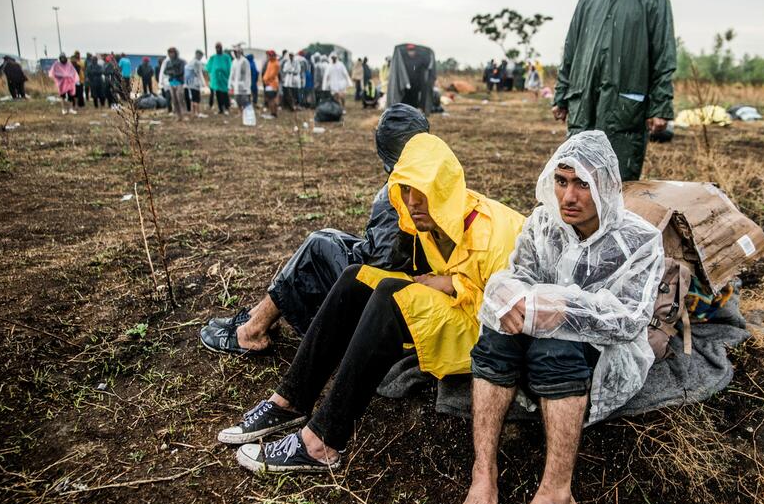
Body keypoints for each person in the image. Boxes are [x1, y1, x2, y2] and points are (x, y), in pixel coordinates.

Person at [218, 133, 525, 475]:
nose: (412, 201)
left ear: (444, 188)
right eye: (405, 190)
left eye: (421, 190)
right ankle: (289, 401)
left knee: (392, 298)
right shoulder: (432, 220)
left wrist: (451, 283)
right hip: (459, 307)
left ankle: (321, 442)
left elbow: (513, 314)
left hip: (487, 330)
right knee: (355, 278)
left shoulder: (496, 234)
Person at [456, 130, 664, 504]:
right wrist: (507, 296)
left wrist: (566, 307)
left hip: (606, 355)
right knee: (496, 337)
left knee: (558, 348)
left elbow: (629, 319)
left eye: (583, 183)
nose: (569, 195)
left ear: (606, 185)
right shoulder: (543, 224)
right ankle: (484, 473)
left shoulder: (639, 240)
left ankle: (556, 500)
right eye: (562, 180)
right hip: (538, 335)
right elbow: (517, 275)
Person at [201, 104, 431, 354]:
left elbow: (384, 264)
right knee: (330, 237)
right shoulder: (433, 176)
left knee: (317, 246)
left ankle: (251, 332)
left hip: (392, 294)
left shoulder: (400, 193)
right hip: (409, 277)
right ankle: (257, 314)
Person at [552, 0, 676, 181]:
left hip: (625, 109)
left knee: (618, 181)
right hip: (583, 105)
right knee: (578, 176)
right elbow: (571, 48)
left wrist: (660, 107)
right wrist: (562, 95)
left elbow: (663, 55)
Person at [205, 42, 232, 114]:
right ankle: (221, 109)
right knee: (218, 94)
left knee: (225, 93)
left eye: (219, 47)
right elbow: (208, 68)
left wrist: (229, 75)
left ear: (221, 48)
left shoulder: (226, 57)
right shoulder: (213, 57)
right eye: (217, 47)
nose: (218, 49)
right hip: (216, 79)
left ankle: (227, 107)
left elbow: (230, 67)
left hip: (224, 78)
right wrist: (209, 77)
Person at [163, 47, 187, 122]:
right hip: (171, 82)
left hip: (179, 82)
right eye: (170, 53)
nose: (171, 54)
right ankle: (178, 116)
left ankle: (184, 115)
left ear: (176, 53)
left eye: (172, 52)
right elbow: (165, 71)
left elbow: (181, 71)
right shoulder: (168, 62)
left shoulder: (181, 61)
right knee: (174, 100)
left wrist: (173, 72)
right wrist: (172, 72)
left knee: (180, 98)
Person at [184, 50, 205, 115]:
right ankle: (198, 113)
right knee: (197, 98)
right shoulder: (197, 63)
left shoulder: (190, 62)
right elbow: (199, 73)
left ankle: (193, 112)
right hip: (195, 82)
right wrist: (203, 83)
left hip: (189, 83)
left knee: (193, 98)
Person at [262, 50, 280, 117]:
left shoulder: (276, 64)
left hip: (272, 84)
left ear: (273, 56)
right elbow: (267, 72)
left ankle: (273, 113)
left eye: (269, 55)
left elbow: (272, 75)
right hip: (268, 83)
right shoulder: (270, 62)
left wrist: (266, 79)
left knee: (271, 99)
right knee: (270, 99)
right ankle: (272, 112)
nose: (268, 56)